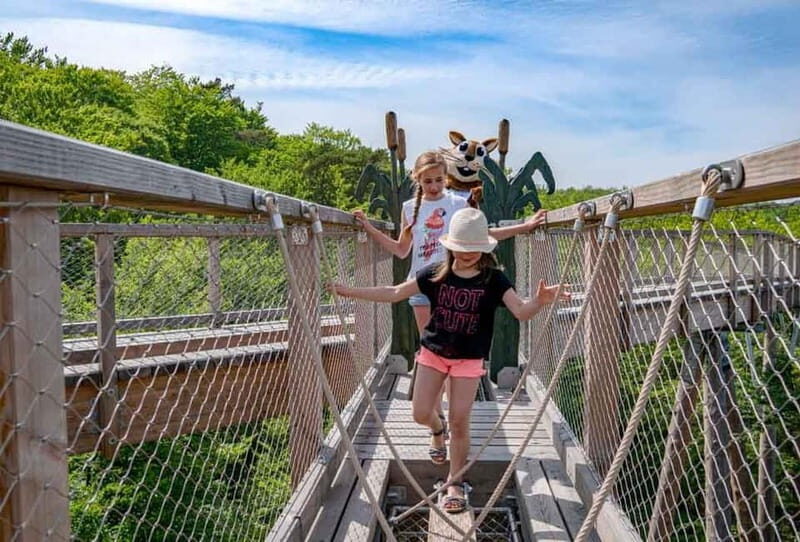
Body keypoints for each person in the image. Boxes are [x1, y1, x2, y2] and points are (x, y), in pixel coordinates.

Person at [331, 207, 570, 513]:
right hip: (433, 353)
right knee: (420, 413)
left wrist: (539, 301)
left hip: (469, 360)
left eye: (474, 249)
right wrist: (349, 292)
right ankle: (435, 430)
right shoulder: (434, 273)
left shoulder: (494, 280)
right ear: (449, 245)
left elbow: (521, 311)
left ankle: (454, 483)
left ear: (484, 248)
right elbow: (394, 292)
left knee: (460, 420)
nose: (467, 254)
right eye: (461, 248)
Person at [353, 151, 547, 423]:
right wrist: (368, 228)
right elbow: (400, 250)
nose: (433, 186)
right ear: (417, 179)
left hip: (455, 284)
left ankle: (447, 409)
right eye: (428, 181)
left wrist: (525, 227)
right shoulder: (410, 208)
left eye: (439, 180)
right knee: (432, 352)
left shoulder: (459, 202)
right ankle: (439, 419)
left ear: (446, 178)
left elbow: (484, 234)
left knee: (450, 351)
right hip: (422, 285)